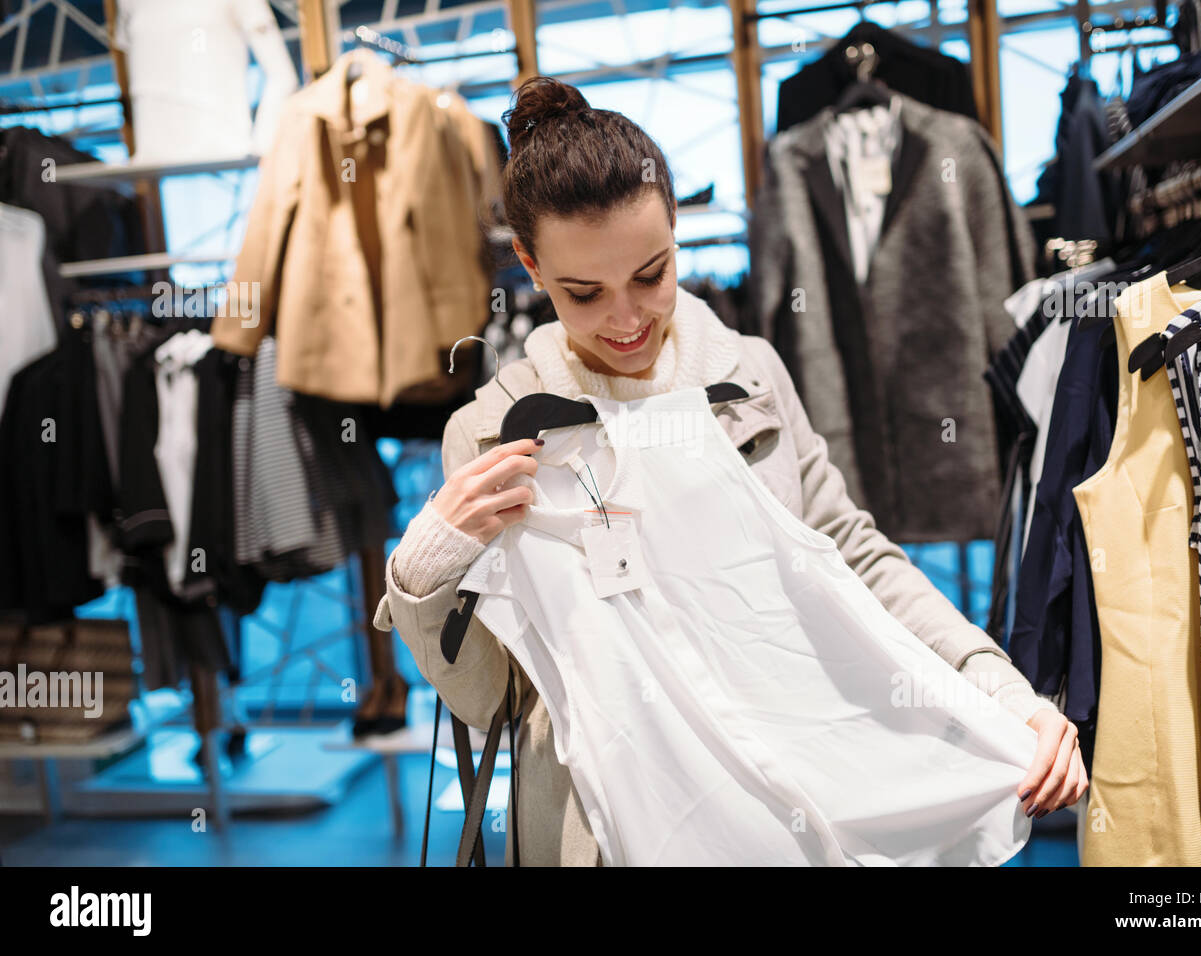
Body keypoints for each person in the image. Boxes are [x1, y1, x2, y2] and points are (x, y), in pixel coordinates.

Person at [373, 75, 1087, 866]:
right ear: (531, 268)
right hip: (610, 833)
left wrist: (994, 686)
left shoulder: (750, 378)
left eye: (652, 273)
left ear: (677, 229)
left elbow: (854, 558)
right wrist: (423, 570)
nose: (627, 319)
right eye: (584, 292)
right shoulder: (490, 434)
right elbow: (485, 702)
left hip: (796, 801)